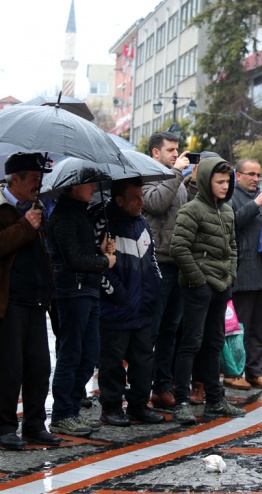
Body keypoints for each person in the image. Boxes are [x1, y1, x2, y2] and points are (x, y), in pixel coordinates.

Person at [170, 156, 246, 425]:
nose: (225, 186)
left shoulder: (226, 211)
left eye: (228, 181)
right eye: (220, 181)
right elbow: (178, 248)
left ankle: (215, 399)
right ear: (206, 181)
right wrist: (199, 280)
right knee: (190, 343)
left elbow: (233, 247)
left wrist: (231, 276)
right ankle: (181, 402)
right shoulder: (191, 210)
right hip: (198, 288)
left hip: (221, 287)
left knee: (214, 344)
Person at [0, 153, 62, 449]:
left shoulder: (37, 209)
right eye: (34, 179)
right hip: (9, 302)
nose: (39, 185)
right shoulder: (2, 209)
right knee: (10, 368)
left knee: (39, 366)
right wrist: (25, 226)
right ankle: (5, 426)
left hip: (37, 299)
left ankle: (35, 424)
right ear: (16, 179)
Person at [47, 181, 116, 437]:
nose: (93, 189)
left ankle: (72, 409)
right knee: (71, 354)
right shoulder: (64, 215)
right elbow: (73, 259)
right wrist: (103, 260)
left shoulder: (80, 213)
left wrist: (100, 251)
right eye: (88, 184)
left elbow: (83, 253)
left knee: (89, 355)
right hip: (72, 291)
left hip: (88, 289)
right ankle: (63, 414)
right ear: (74, 186)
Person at [96, 178, 164, 426]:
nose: (141, 201)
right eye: (135, 197)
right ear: (119, 200)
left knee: (144, 360)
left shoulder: (143, 222)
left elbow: (151, 259)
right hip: (115, 310)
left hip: (143, 307)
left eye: (142, 195)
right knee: (112, 362)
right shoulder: (105, 224)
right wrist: (119, 294)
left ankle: (138, 405)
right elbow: (100, 267)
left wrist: (155, 286)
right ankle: (111, 407)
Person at [144, 131, 192, 410]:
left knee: (170, 331)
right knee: (151, 329)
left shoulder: (179, 179)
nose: (176, 154)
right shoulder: (148, 175)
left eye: (177, 149)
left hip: (177, 263)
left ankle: (162, 386)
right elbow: (156, 203)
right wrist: (176, 174)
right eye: (171, 150)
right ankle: (140, 388)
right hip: (156, 263)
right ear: (155, 152)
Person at [229, 158, 262, 391]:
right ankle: (233, 372)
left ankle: (254, 371)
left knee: (261, 328)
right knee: (239, 328)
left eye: (258, 175)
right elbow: (231, 225)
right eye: (250, 174)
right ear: (237, 175)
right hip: (245, 271)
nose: (255, 179)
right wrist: (256, 204)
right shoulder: (231, 197)